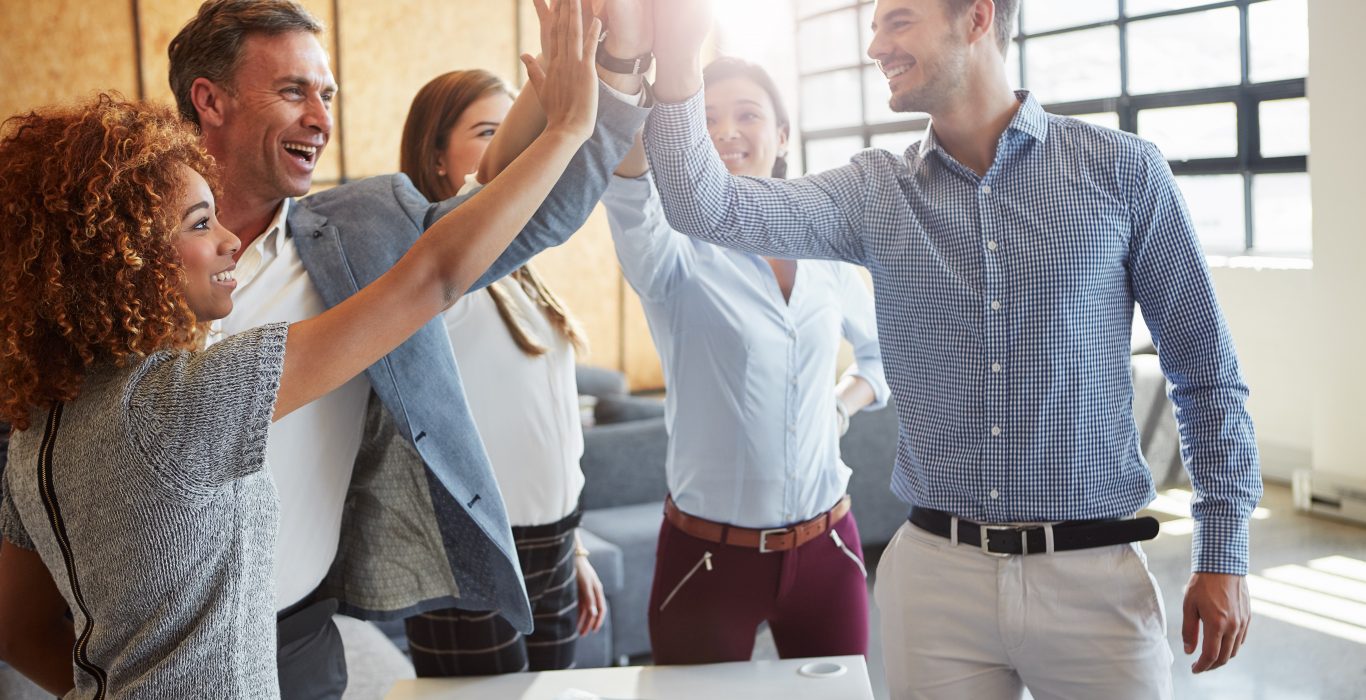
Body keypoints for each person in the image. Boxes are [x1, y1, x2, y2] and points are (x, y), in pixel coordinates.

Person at [643, 0, 1260, 697]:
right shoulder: (874, 191)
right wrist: (677, 55)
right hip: (936, 580)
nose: (876, 44)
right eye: (874, 25)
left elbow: (1205, 373)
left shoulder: (1124, 173)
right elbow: (705, 207)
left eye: (898, 20)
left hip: (1095, 580)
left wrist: (1224, 550)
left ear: (976, 18)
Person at [0, 2, 600, 696]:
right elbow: (430, 278)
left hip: (276, 642)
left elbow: (17, 628)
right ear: (125, 255)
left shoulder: (41, 423)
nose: (225, 237)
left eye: (328, 93)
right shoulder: (180, 403)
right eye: (200, 223)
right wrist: (568, 129)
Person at [162, 0, 650, 693]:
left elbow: (525, 217)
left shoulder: (363, 234)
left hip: (298, 638)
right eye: (294, 90)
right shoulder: (123, 257)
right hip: (154, 646)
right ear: (209, 101)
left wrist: (620, 74)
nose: (321, 119)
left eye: (326, 94)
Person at [600, 57, 887, 663]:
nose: (727, 130)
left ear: (782, 136)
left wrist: (842, 401)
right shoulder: (676, 253)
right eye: (705, 121)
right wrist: (633, 94)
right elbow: (630, 200)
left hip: (827, 547)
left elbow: (877, 354)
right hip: (708, 560)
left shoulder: (827, 251)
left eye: (747, 114)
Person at [395, 69, 606, 675]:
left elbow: (553, 425)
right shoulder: (427, 259)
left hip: (552, 542)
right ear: (439, 160)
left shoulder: (523, 269)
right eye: (491, 130)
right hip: (471, 548)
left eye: (518, 127)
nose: (515, 144)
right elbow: (488, 186)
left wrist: (575, 547)